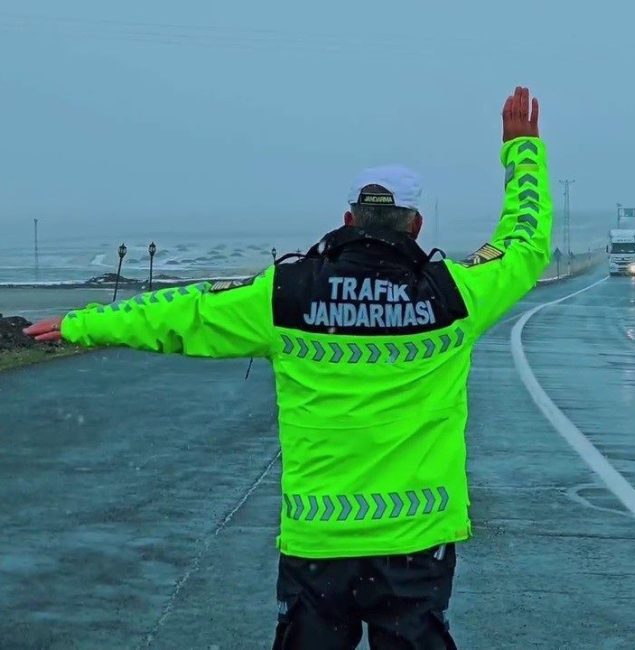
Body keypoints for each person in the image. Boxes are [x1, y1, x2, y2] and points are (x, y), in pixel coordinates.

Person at [25, 86, 551, 650]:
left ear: (349, 218)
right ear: (416, 225)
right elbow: (524, 243)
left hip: (318, 545)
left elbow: (187, 313)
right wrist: (522, 152)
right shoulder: (455, 296)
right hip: (417, 542)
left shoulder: (287, 292)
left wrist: (83, 324)